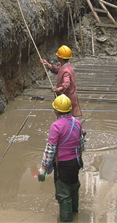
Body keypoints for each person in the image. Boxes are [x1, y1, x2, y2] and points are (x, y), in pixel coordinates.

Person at [37, 94, 83, 223]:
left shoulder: (56, 126)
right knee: (74, 187)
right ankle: (75, 212)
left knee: (63, 194)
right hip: (76, 162)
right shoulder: (77, 122)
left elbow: (50, 149)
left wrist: (43, 167)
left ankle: (66, 220)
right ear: (70, 109)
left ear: (56, 111)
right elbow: (81, 143)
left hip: (63, 165)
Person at [40, 45, 82, 117]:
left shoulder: (66, 70)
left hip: (67, 99)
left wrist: (57, 89)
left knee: (65, 118)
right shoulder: (65, 66)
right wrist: (47, 64)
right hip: (67, 97)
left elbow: (66, 83)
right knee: (67, 119)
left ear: (60, 57)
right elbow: (58, 70)